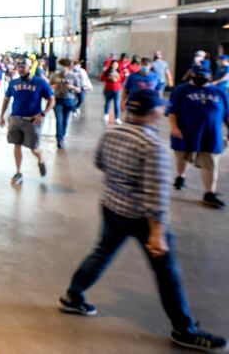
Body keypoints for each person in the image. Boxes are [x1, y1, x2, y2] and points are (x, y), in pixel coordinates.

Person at [58, 89, 227, 352]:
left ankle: (73, 296)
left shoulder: (112, 132)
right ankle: (184, 329)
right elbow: (156, 195)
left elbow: (100, 163)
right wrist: (157, 233)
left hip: (112, 206)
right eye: (160, 107)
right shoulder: (153, 146)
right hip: (141, 218)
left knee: (102, 253)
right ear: (154, 112)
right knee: (167, 273)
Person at [168, 64, 229, 208]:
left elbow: (227, 115)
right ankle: (180, 177)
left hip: (211, 134)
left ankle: (209, 193)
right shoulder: (180, 90)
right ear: (192, 75)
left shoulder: (220, 92)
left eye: (203, 75)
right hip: (186, 132)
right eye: (197, 74)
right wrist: (174, 127)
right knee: (182, 155)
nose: (199, 77)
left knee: (211, 162)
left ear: (210, 76)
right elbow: (172, 110)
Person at [0, 58, 55, 184]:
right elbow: (7, 99)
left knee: (34, 148)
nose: (20, 69)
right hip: (15, 118)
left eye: (23, 67)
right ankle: (18, 173)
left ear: (30, 68)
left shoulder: (39, 82)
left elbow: (52, 100)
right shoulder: (13, 83)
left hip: (32, 121)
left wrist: (42, 114)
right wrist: (1, 115)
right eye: (18, 67)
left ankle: (40, 159)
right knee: (16, 145)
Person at [50, 58, 81, 149]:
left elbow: (79, 90)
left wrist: (71, 86)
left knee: (65, 121)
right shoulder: (55, 75)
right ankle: (59, 139)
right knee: (59, 120)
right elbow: (48, 86)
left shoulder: (74, 76)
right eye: (61, 65)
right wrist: (55, 86)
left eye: (64, 66)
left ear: (68, 67)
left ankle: (62, 136)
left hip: (69, 100)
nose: (62, 68)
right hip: (57, 100)